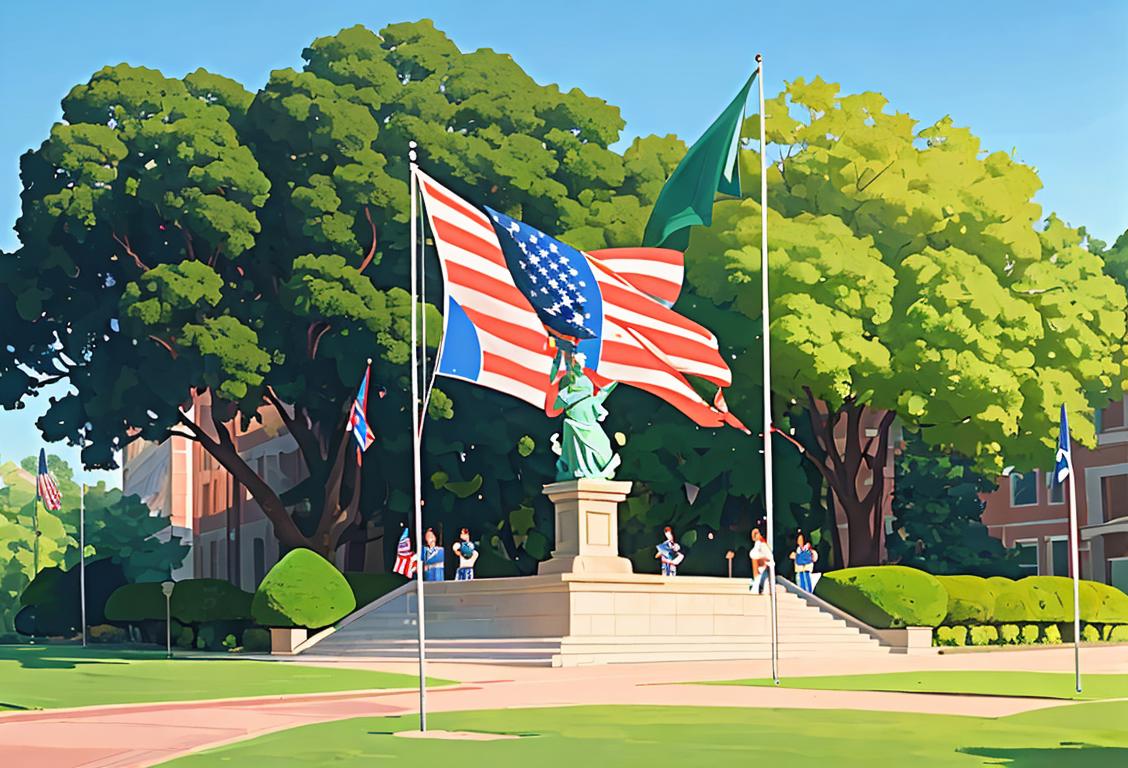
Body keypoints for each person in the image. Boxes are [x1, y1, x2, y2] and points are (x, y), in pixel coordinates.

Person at [749, 528, 774, 595]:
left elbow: (768, 557)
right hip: (759, 571)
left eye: (756, 534)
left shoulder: (762, 544)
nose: (754, 536)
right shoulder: (757, 544)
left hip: (763, 569)